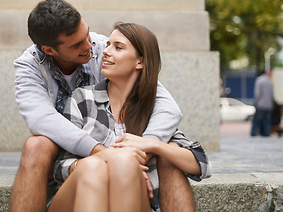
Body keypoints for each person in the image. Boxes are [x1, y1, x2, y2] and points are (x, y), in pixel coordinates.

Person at [10, 0, 193, 211]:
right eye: (77, 44)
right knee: (36, 145)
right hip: (66, 155)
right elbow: (40, 119)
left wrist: (142, 149)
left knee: (169, 151)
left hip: (117, 153)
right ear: (49, 50)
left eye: (86, 33)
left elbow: (164, 104)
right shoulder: (29, 66)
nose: (90, 46)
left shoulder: (103, 49)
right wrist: (103, 153)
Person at [48, 22, 212, 212]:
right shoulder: (82, 98)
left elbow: (202, 164)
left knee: (125, 162)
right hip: (79, 196)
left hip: (133, 200)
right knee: (95, 166)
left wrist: (153, 145)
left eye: (118, 47)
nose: (106, 52)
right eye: (108, 45)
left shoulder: (154, 110)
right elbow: (59, 167)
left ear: (140, 61)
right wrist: (107, 161)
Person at [251, 69, 274, 137]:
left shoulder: (259, 80)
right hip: (269, 105)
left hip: (260, 104)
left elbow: (257, 93)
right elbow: (272, 94)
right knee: (267, 121)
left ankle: (254, 134)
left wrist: (256, 101)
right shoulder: (270, 81)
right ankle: (266, 134)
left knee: (256, 121)